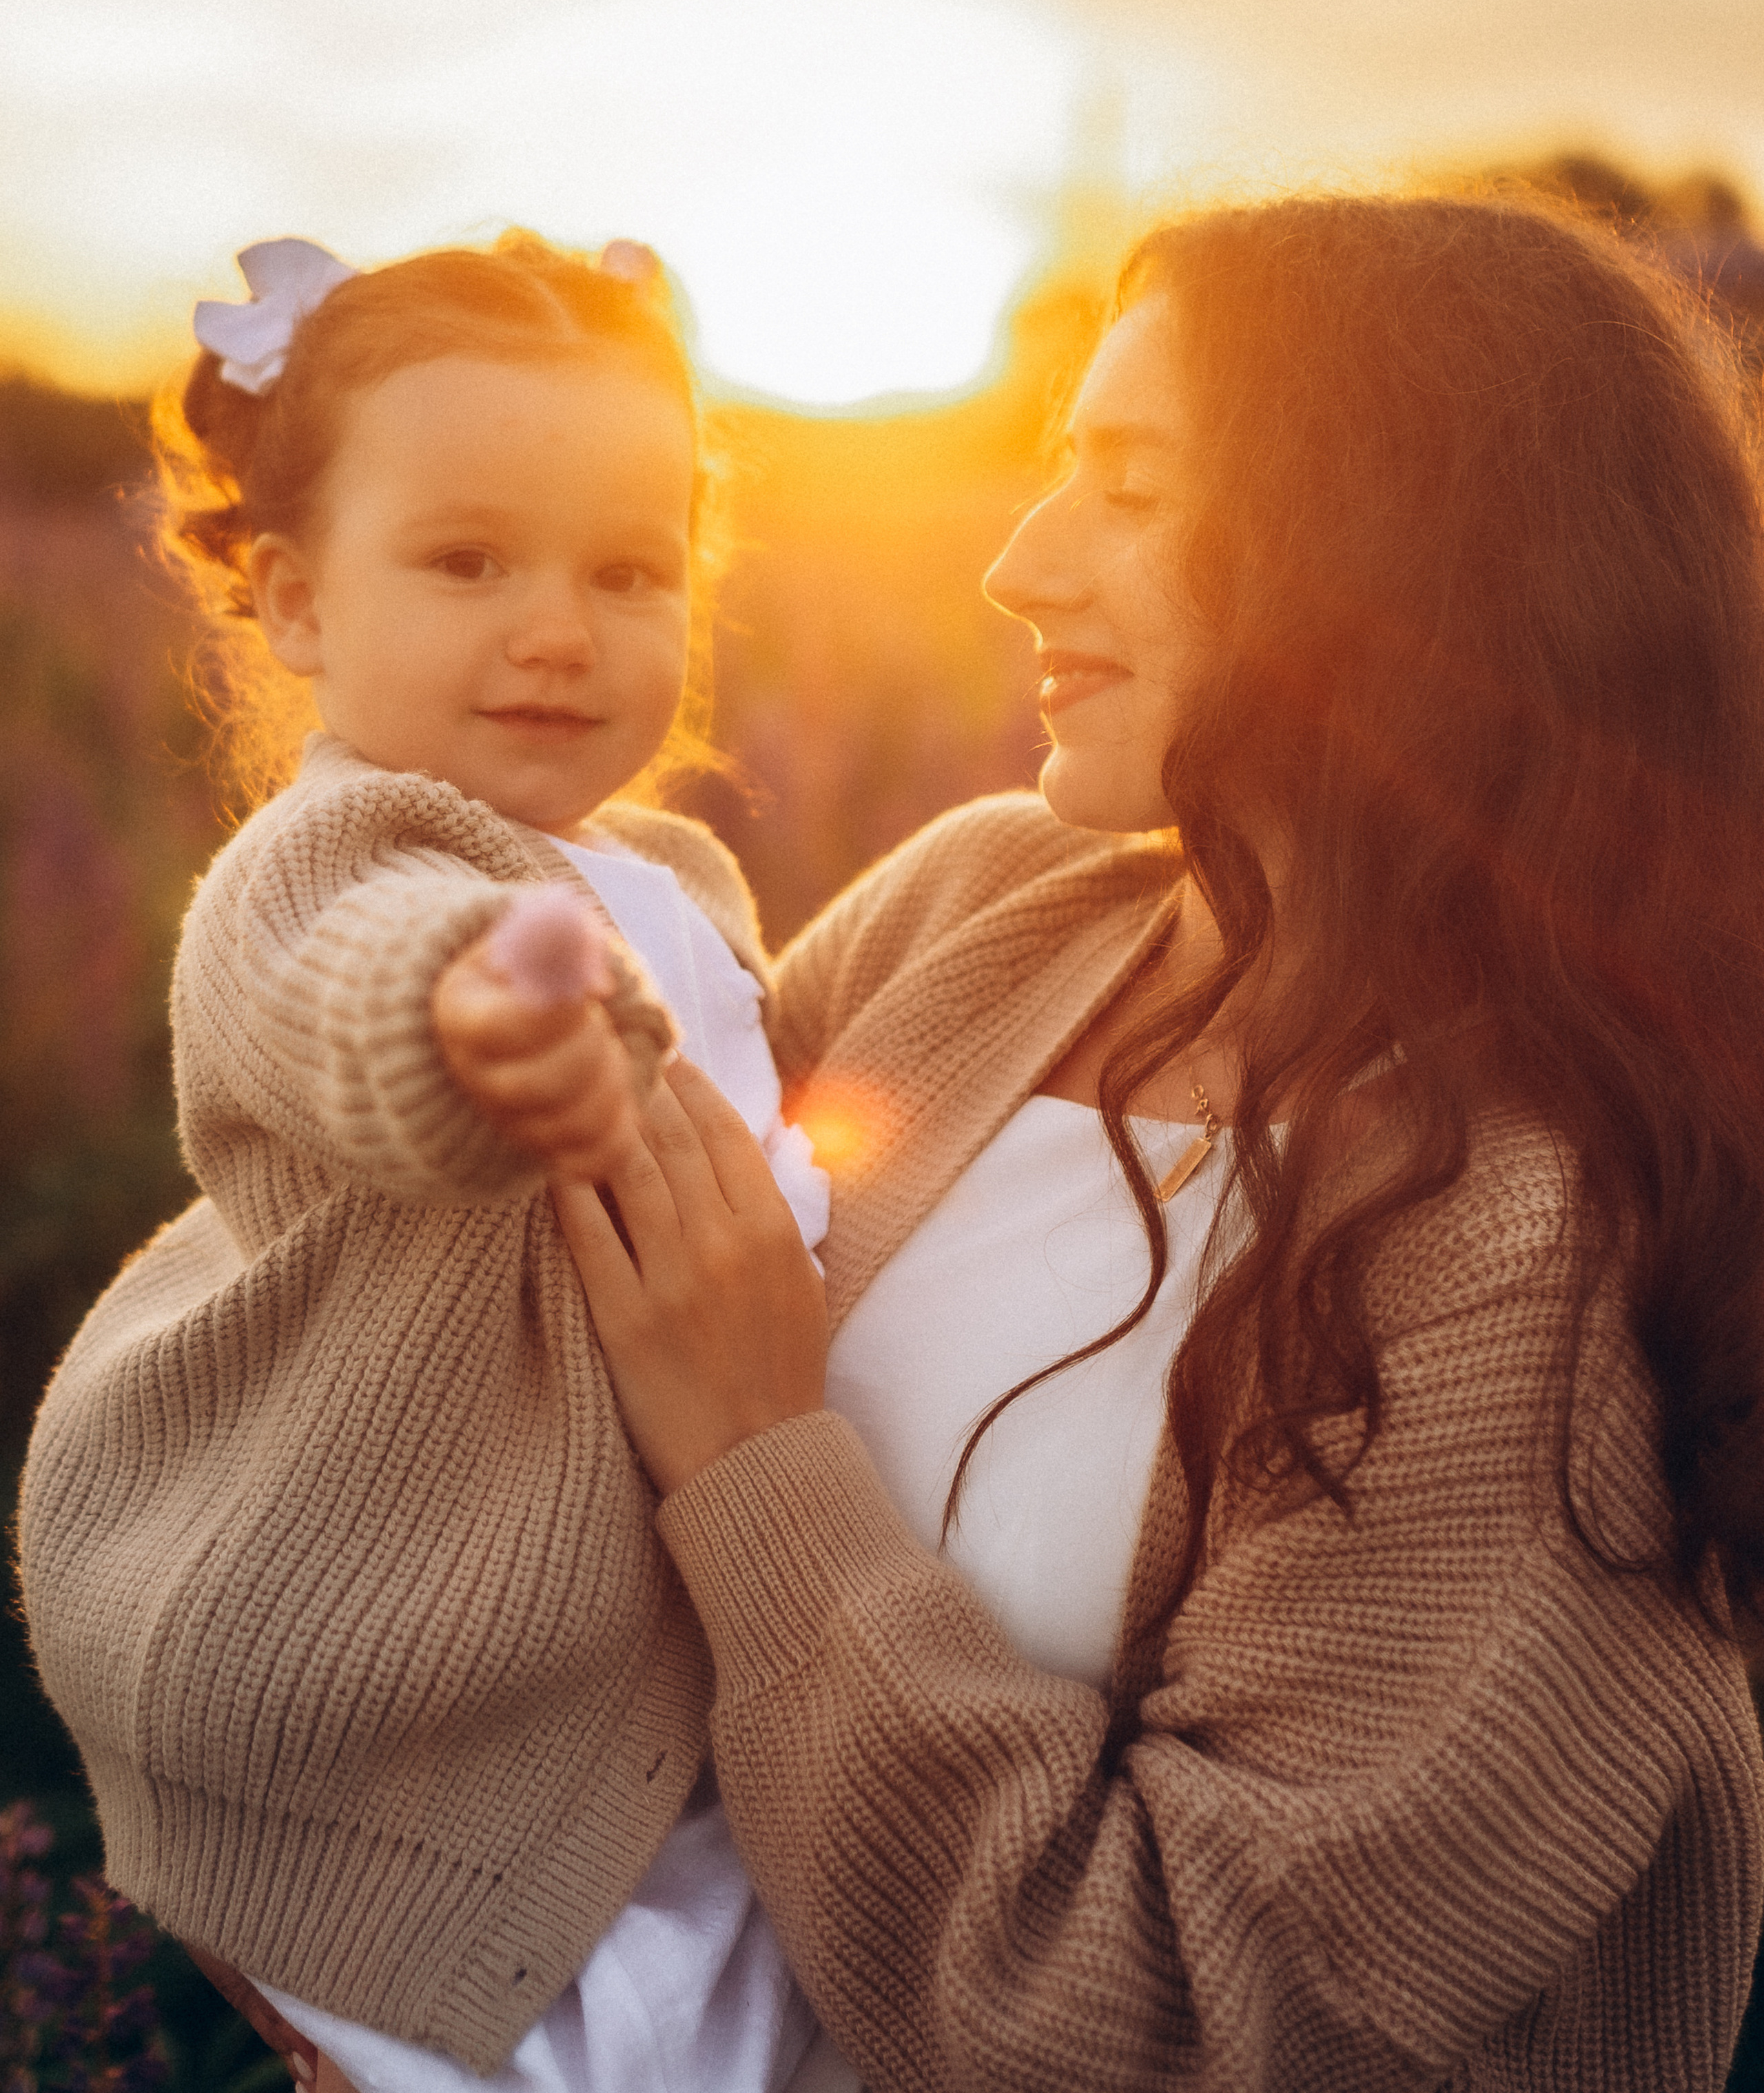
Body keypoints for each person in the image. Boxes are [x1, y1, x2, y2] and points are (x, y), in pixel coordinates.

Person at [556, 192, 1764, 2090]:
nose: (1022, 569)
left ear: (1401, 558)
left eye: (1129, 488)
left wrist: (754, 1453)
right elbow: (533, 1327)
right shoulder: (985, 911)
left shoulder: (1542, 1244)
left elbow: (1196, 2016)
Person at [19, 231, 834, 2093]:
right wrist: (481, 1024)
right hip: (393, 1708)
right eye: (468, 562)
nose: (558, 626)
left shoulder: (684, 884)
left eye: (631, 570)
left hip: (625, 1690)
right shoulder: (335, 861)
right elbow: (349, 992)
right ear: (296, 604)